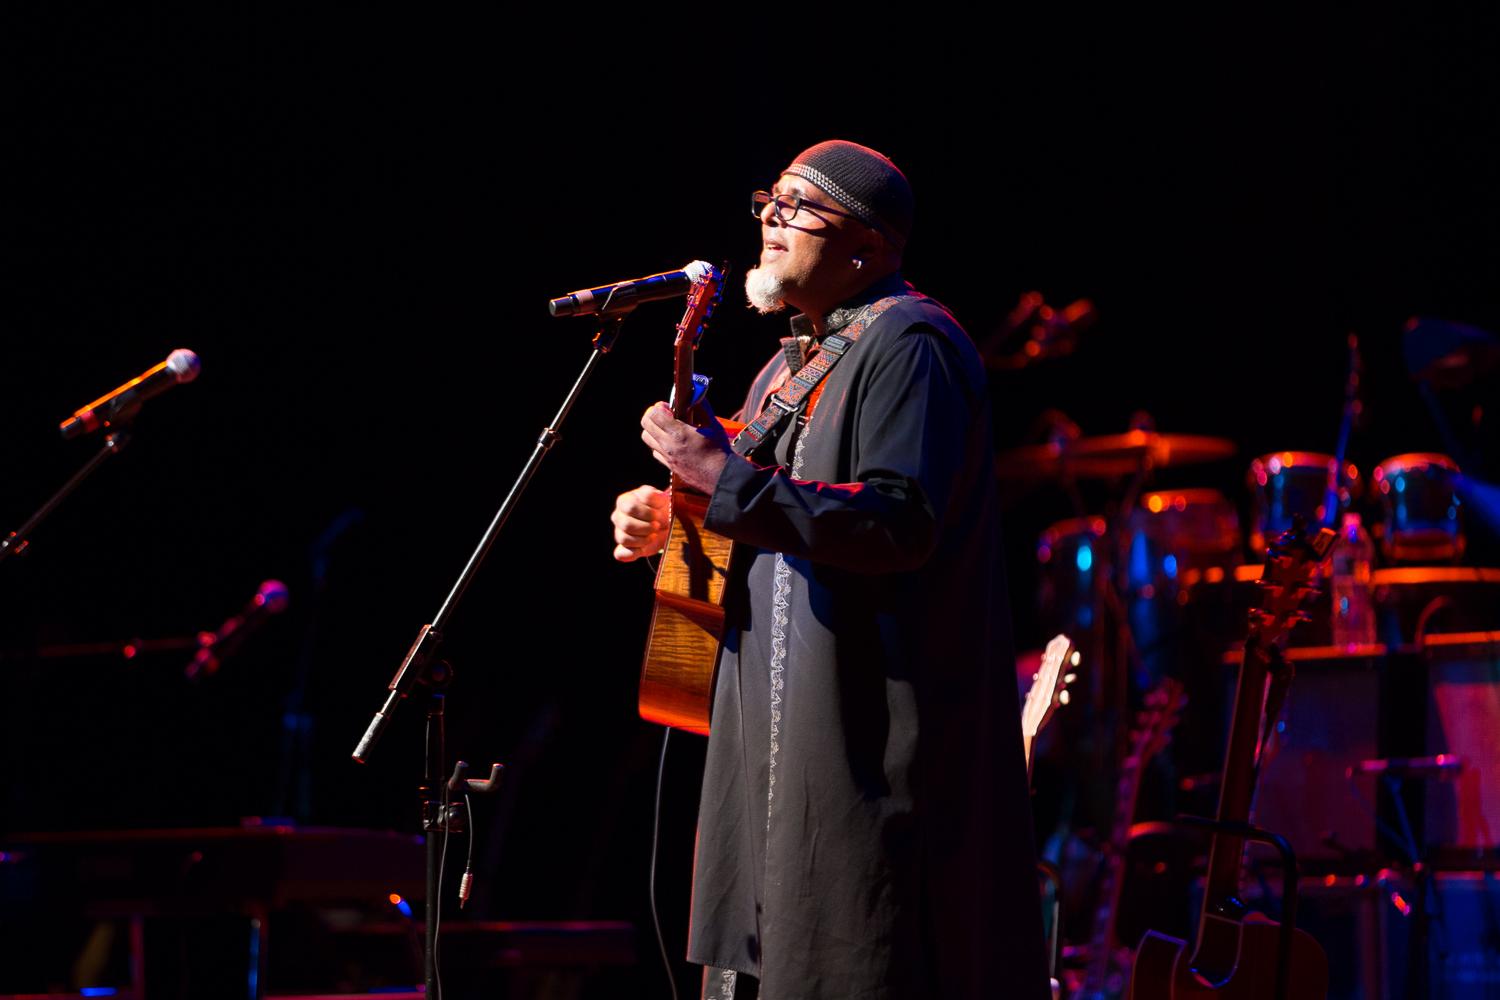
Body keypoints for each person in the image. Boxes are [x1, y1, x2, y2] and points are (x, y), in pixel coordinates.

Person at [611, 140, 1049, 999]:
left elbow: (897, 522)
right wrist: (671, 516)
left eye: (799, 204)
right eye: (768, 200)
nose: (772, 218)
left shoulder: (912, 342)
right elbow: (764, 508)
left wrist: (720, 478)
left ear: (868, 246)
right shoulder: (788, 365)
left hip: (863, 753)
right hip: (770, 749)